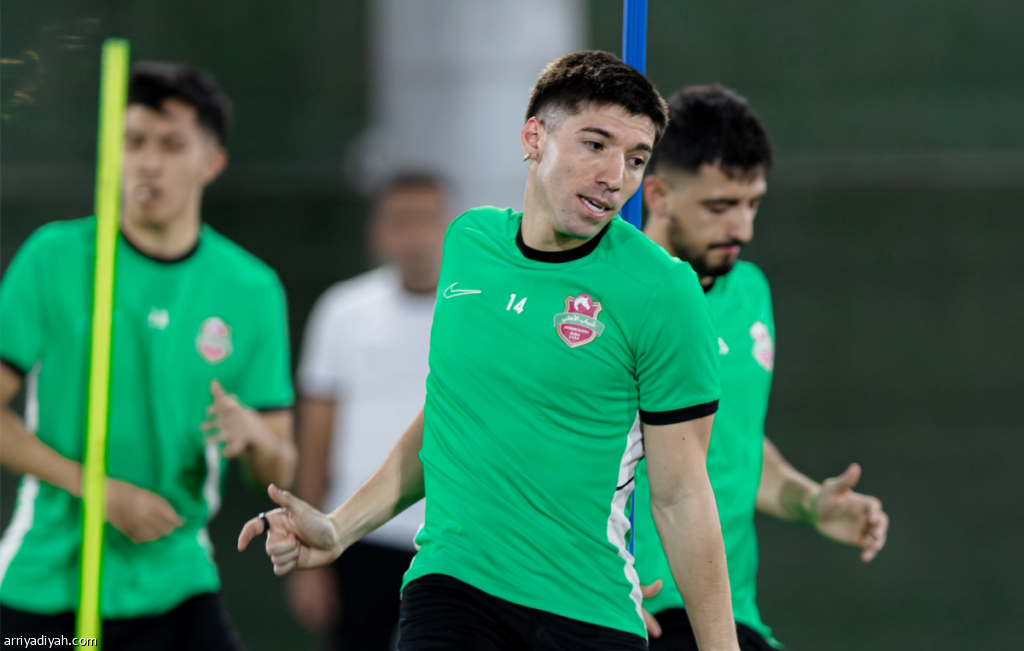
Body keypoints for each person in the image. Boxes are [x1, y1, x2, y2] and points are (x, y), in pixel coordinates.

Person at [240, 51, 741, 651]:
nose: (615, 176)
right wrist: (339, 527)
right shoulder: (469, 243)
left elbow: (682, 495)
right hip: (453, 590)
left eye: (636, 158)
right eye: (595, 144)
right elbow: (449, 420)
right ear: (534, 138)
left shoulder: (663, 290)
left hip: (590, 611)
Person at [0, 62, 296, 650]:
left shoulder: (251, 289)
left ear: (211, 162)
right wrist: (98, 490)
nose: (148, 162)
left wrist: (253, 437)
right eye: (133, 142)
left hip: (175, 579)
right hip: (48, 580)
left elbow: (280, 468)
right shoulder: (54, 257)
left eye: (171, 144)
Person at [633, 84, 891, 650]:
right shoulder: (610, 298)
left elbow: (732, 444)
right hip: (640, 608)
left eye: (752, 203)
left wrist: (809, 501)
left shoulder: (749, 290)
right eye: (720, 207)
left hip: (730, 613)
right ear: (658, 194)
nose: (743, 229)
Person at [287, 173, 448, 649]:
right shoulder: (343, 310)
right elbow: (316, 435)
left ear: (449, 227)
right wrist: (309, 555)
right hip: (360, 535)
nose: (415, 235)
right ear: (378, 232)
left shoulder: (479, 314)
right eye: (401, 220)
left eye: (426, 219)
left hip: (448, 540)